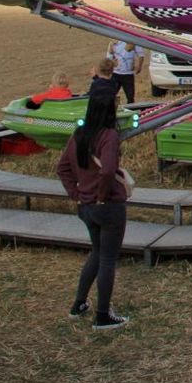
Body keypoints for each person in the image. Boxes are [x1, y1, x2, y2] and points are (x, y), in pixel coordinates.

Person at [55, 92, 130, 330]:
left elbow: (62, 168)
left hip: (86, 207)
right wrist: (101, 195)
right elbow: (107, 170)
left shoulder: (79, 134)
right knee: (108, 259)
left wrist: (76, 194)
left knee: (97, 253)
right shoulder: (108, 135)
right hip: (107, 207)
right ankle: (102, 315)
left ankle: (79, 303)